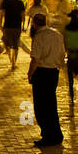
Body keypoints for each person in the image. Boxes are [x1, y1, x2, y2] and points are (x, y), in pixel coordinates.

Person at [28, 14, 65, 147]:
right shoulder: (57, 35)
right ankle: (56, 134)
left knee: (41, 106)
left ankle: (48, 135)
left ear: (34, 24)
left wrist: (30, 73)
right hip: (53, 72)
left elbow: (35, 59)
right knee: (51, 104)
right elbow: (62, 54)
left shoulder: (39, 37)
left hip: (42, 72)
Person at [0, 0, 27, 71]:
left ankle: (11, 60)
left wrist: (0, 24)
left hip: (7, 26)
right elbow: (23, 15)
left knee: (7, 44)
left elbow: (2, 14)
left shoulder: (5, 2)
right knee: (16, 44)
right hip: (17, 26)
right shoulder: (20, 3)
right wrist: (23, 25)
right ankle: (14, 62)